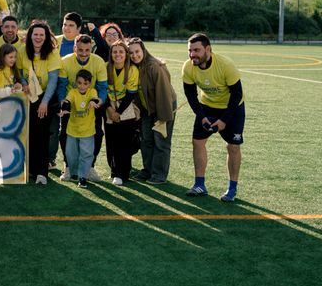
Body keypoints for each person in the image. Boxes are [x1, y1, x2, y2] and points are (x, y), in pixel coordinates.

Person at [183, 33, 246, 202]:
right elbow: (190, 95)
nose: (192, 54)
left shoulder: (225, 65)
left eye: (196, 50)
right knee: (198, 142)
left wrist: (224, 120)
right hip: (207, 106)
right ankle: (199, 185)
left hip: (232, 107)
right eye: (190, 50)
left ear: (208, 49)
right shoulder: (188, 67)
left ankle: (232, 189)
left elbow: (236, 94)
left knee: (232, 146)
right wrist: (202, 117)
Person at [57, 34, 108, 181]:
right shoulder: (65, 61)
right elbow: (62, 86)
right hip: (71, 103)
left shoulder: (98, 62)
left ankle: (90, 167)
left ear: (91, 48)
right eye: (80, 50)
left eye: (87, 50)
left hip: (91, 103)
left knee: (97, 134)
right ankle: (68, 167)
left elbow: (102, 87)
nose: (84, 54)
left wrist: (99, 101)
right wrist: (63, 103)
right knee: (64, 134)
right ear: (74, 48)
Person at [128, 37, 177, 185]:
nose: (134, 55)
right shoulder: (134, 67)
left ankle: (159, 174)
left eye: (137, 51)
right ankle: (148, 170)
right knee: (146, 140)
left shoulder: (154, 66)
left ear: (143, 50)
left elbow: (164, 93)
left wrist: (162, 118)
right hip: (146, 110)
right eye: (131, 53)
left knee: (161, 141)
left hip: (164, 108)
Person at [24, 20, 61, 185]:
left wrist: (44, 102)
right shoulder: (22, 51)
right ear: (30, 35)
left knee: (42, 135)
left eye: (41, 35)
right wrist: (24, 84)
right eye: (35, 34)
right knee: (30, 133)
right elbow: (18, 71)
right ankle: (31, 170)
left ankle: (42, 173)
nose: (38, 37)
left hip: (46, 97)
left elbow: (53, 80)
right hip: (29, 96)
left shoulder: (52, 53)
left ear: (46, 37)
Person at [104, 40, 139, 186]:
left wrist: (118, 112)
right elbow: (101, 91)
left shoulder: (132, 70)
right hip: (108, 107)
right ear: (111, 54)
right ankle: (114, 171)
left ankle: (123, 172)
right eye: (114, 52)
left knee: (124, 142)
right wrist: (110, 110)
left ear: (126, 54)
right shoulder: (105, 67)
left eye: (121, 52)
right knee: (111, 141)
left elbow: (131, 94)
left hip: (125, 107)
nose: (117, 55)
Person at [60, 69, 99, 188]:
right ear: (76, 82)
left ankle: (83, 177)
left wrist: (93, 102)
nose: (82, 86)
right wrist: (64, 108)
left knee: (86, 154)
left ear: (90, 84)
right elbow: (67, 100)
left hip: (87, 130)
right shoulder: (73, 92)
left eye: (85, 83)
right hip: (73, 129)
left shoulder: (92, 91)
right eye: (79, 83)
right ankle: (74, 172)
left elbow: (94, 98)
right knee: (70, 153)